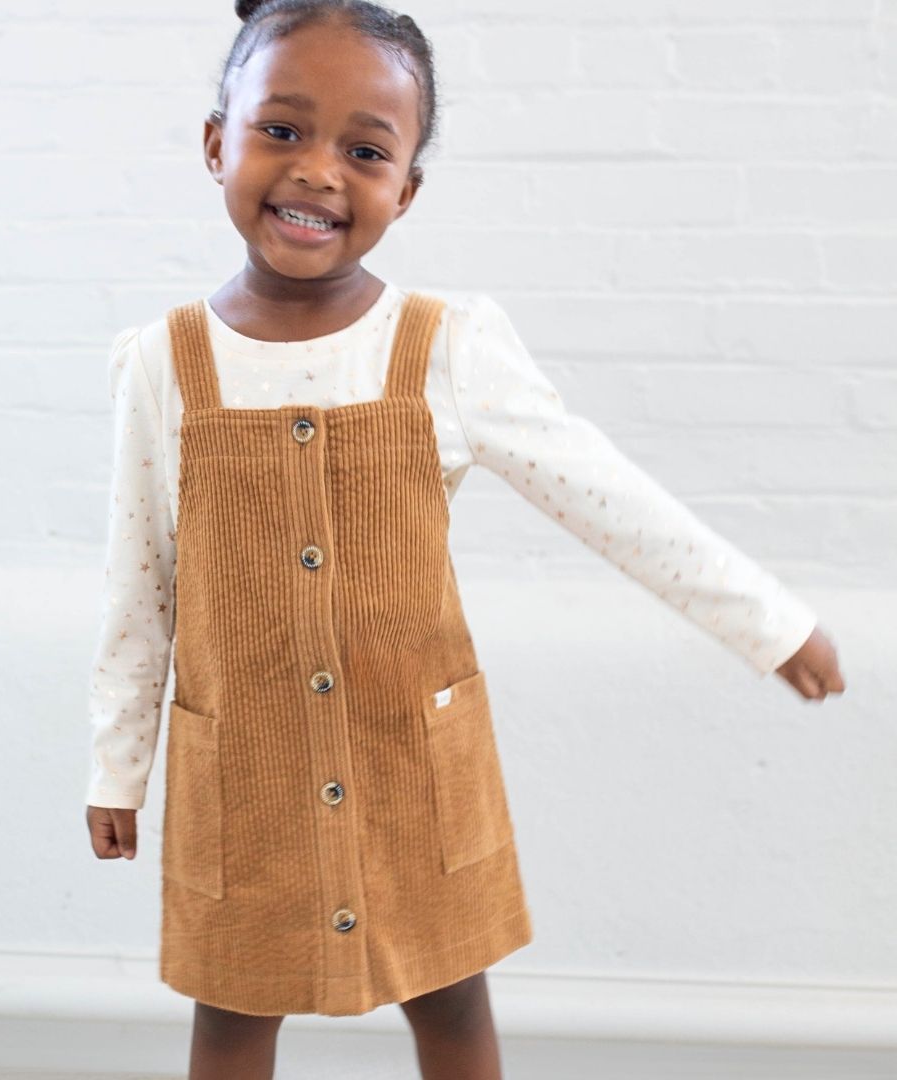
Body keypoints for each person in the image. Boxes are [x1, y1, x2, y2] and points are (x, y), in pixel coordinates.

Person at [83, 2, 847, 1077]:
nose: (317, 173)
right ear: (218, 143)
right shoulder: (161, 363)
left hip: (416, 775)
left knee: (451, 1010)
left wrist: (770, 623)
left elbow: (608, 497)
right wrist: (117, 765)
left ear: (406, 189)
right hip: (241, 780)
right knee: (232, 1020)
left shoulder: (446, 349)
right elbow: (140, 583)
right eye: (282, 131)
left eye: (364, 150)